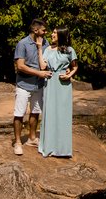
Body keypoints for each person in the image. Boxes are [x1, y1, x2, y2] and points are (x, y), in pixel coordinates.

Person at [38, 27, 79, 158]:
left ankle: (63, 149)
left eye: (55, 32)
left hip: (63, 85)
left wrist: (69, 75)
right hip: (50, 83)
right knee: (49, 114)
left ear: (61, 35)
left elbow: (75, 66)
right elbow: (43, 66)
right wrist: (39, 49)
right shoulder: (48, 49)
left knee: (63, 115)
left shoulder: (69, 50)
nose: (52, 34)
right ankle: (49, 147)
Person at [12, 17, 51, 155]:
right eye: (44, 30)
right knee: (19, 113)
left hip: (38, 85)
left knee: (36, 111)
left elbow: (49, 60)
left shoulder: (45, 43)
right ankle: (17, 142)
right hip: (24, 84)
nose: (46, 33)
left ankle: (32, 138)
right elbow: (20, 66)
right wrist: (39, 73)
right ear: (36, 30)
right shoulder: (23, 44)